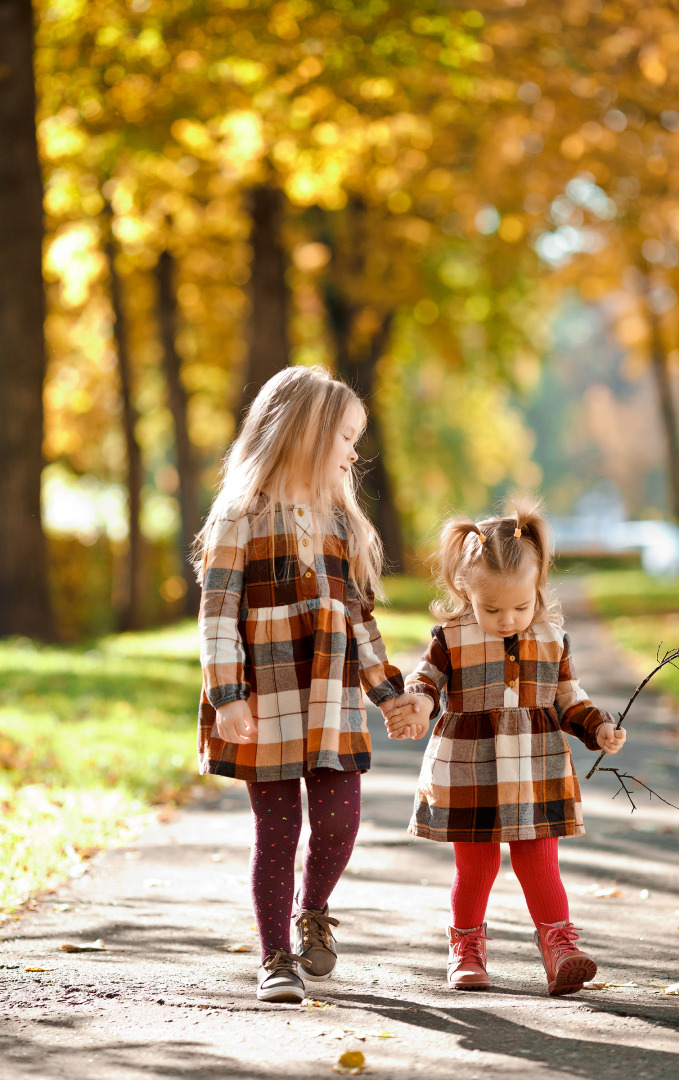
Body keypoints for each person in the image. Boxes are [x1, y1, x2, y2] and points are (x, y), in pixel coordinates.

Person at [194, 365, 419, 1004]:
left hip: (328, 703)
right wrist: (227, 697)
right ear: (305, 436)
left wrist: (389, 693)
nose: (354, 452)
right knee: (278, 829)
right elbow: (217, 617)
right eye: (346, 438)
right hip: (262, 699)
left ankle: (312, 908)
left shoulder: (341, 526)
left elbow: (359, 620)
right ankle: (275, 959)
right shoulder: (239, 518)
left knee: (341, 820)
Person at [384, 496, 626, 997]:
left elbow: (568, 699)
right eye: (492, 608)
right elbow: (425, 681)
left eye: (521, 605)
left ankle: (560, 946)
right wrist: (420, 706)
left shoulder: (553, 638)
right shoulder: (450, 637)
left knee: (540, 859)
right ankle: (466, 947)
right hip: (469, 767)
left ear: (538, 589)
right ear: (464, 592)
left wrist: (598, 728)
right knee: (477, 865)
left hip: (536, 767)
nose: (509, 618)